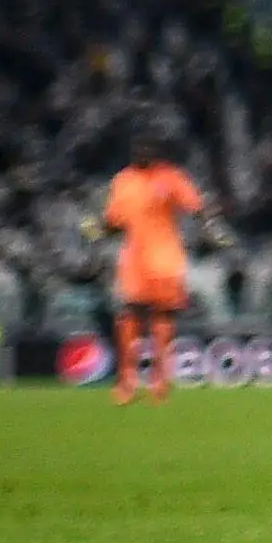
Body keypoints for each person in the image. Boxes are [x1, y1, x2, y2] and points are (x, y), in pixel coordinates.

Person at [98, 124, 207, 405]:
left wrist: (208, 229)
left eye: (147, 149)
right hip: (134, 258)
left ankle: (160, 381)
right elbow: (113, 221)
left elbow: (196, 207)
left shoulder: (170, 177)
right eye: (137, 149)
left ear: (157, 152)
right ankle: (127, 382)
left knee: (163, 318)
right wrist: (99, 228)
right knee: (129, 316)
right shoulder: (123, 180)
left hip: (165, 257)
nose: (142, 153)